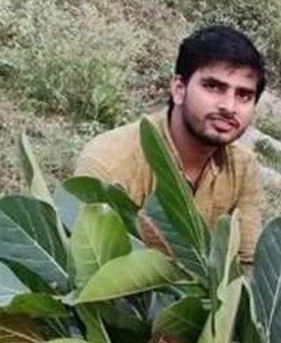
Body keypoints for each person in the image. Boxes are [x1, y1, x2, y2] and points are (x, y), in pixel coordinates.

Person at [74, 24, 265, 264]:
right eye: (213, 86)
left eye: (244, 95)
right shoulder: (110, 163)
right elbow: (84, 263)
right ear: (178, 89)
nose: (229, 106)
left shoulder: (244, 168)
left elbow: (246, 265)